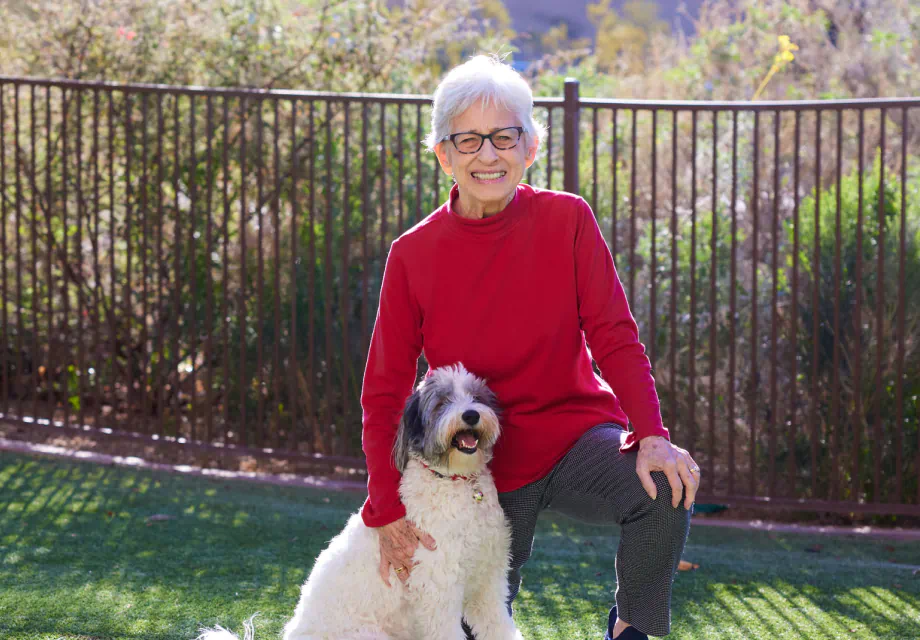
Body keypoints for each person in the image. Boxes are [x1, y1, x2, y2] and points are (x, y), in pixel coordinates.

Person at [360, 54, 699, 640]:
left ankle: (631, 629)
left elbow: (614, 336)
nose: (487, 155)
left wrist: (651, 435)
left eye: (504, 136)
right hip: (478, 468)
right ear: (442, 154)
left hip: (575, 437)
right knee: (472, 627)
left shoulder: (568, 219)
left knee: (664, 488)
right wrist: (385, 506)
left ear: (531, 146)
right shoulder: (412, 254)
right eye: (467, 140)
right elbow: (385, 389)